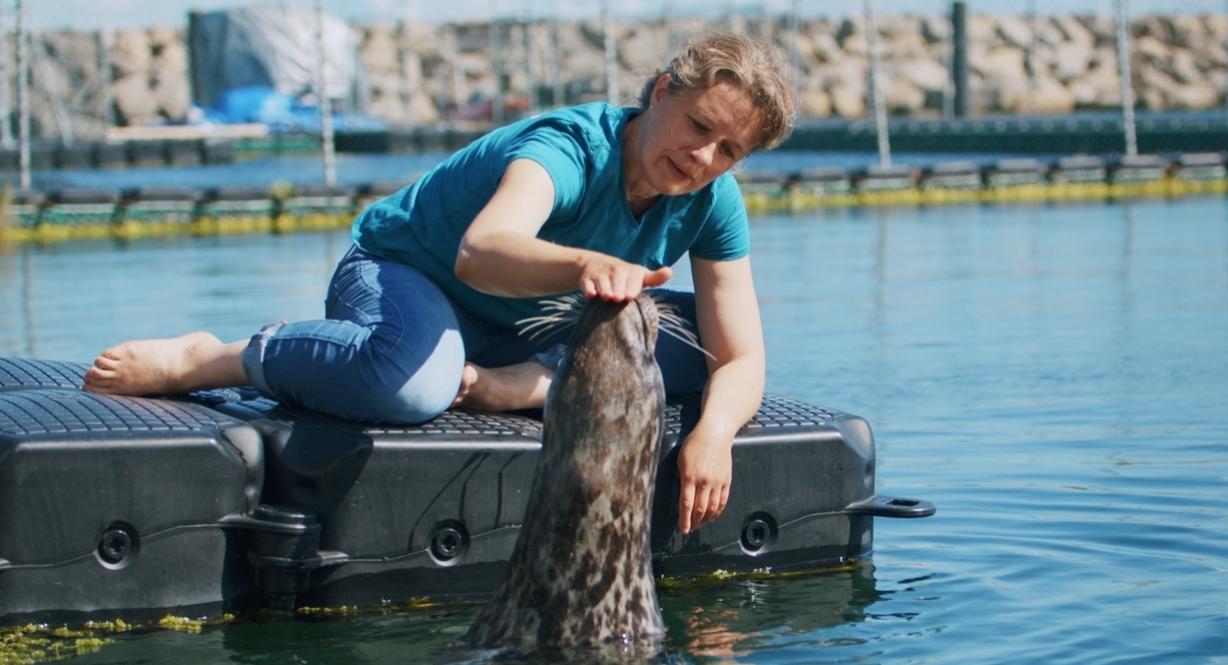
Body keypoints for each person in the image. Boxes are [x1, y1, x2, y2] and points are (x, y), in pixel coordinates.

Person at [82, 31, 795, 536]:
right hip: (408, 274)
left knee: (684, 340)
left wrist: (714, 434)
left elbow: (740, 355)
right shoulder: (569, 148)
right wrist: (585, 265)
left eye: (729, 149)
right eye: (699, 124)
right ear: (665, 91)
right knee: (412, 386)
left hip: (529, 326)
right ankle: (219, 355)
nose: (703, 156)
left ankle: (516, 384)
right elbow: (481, 252)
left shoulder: (711, 199)